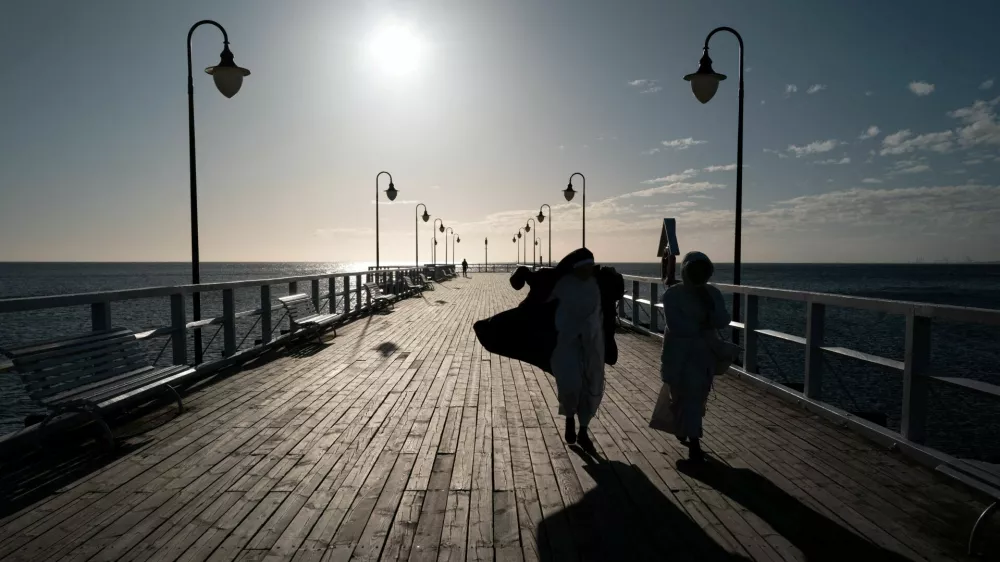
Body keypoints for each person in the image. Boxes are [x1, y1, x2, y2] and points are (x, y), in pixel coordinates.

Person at [659, 251, 730, 462]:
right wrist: (705, 323)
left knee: (696, 395)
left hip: (702, 354)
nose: (701, 276)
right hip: (678, 352)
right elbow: (677, 326)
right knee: (679, 395)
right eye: (696, 271)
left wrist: (709, 310)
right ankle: (685, 428)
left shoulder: (712, 294)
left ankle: (694, 441)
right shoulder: (672, 295)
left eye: (704, 272)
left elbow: (723, 320)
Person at [549, 248, 605, 454]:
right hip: (567, 343)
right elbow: (550, 308)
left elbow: (599, 314)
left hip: (593, 345)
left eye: (591, 267)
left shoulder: (595, 286)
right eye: (585, 267)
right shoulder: (563, 286)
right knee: (570, 382)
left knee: (592, 384)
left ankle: (583, 429)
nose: (588, 271)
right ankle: (570, 418)